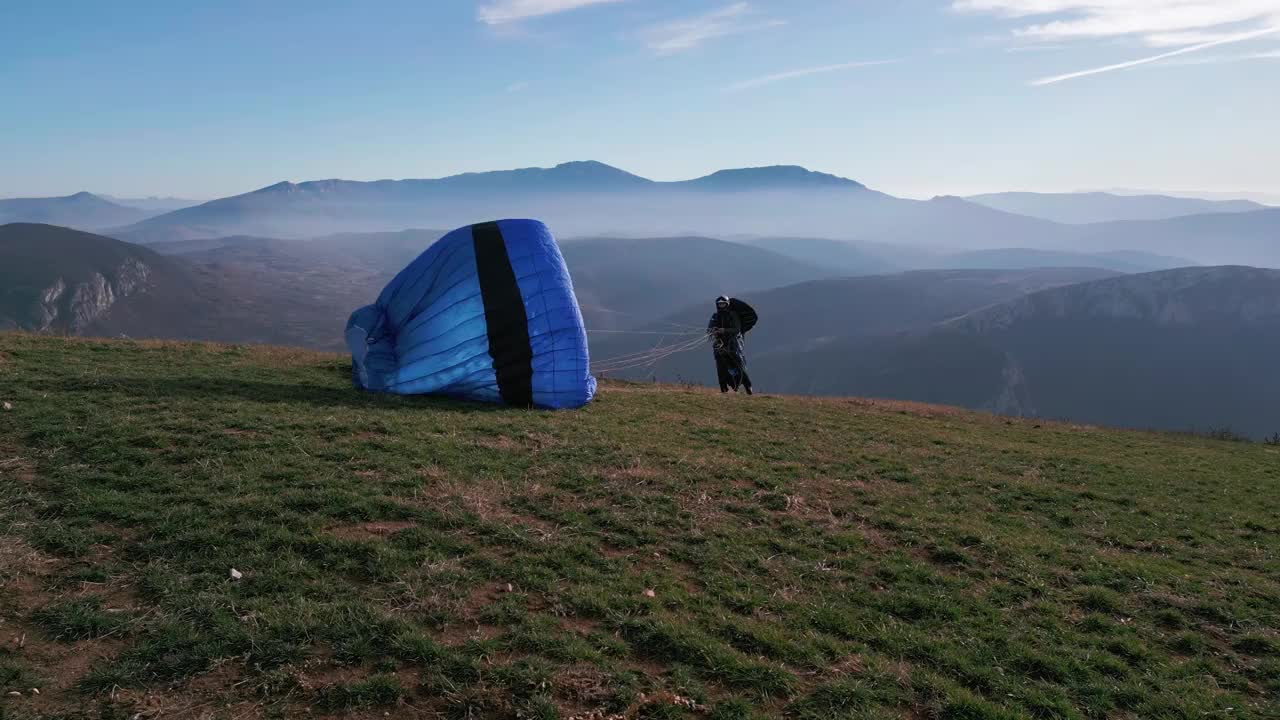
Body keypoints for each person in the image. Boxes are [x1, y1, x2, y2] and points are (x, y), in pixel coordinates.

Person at [708, 295, 753, 395]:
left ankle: (748, 386)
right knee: (720, 366)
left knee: (739, 363)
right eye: (720, 305)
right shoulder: (715, 316)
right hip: (720, 344)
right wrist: (712, 331)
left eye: (723, 304)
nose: (722, 306)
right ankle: (723, 388)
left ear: (727, 304)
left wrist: (723, 330)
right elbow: (710, 327)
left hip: (734, 344)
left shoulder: (733, 315)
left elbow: (736, 329)